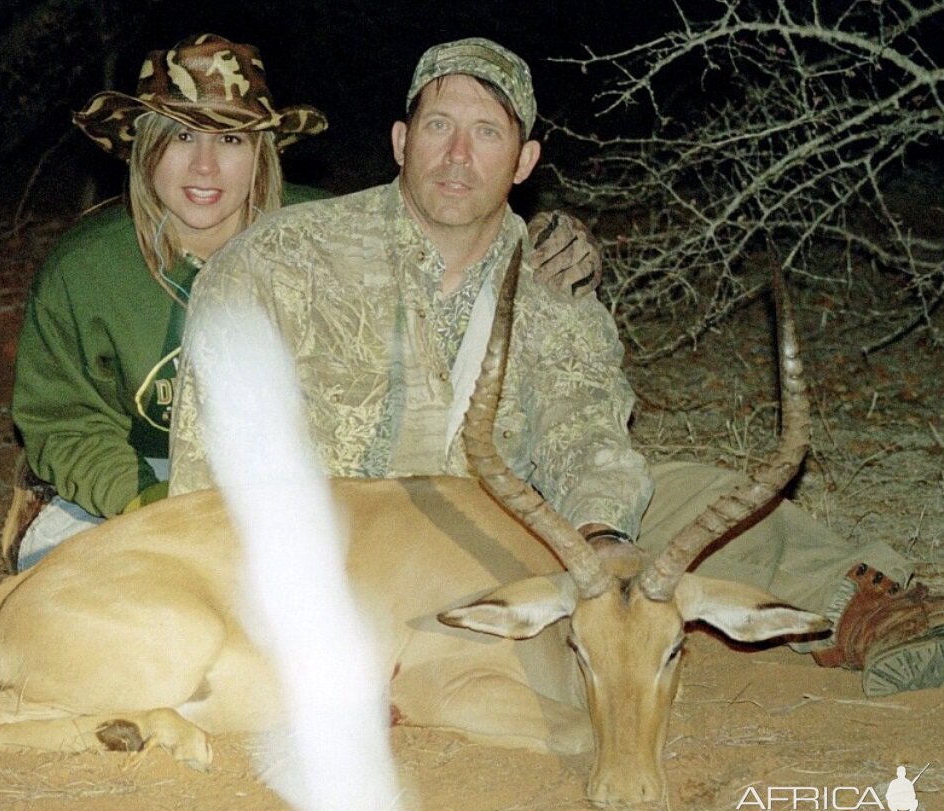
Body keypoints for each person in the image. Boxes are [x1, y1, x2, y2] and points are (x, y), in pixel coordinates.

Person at [169, 37, 943, 698]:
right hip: (345, 552)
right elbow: (211, 479)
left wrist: (598, 535)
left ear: (525, 159)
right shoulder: (274, 262)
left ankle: (868, 613)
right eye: (438, 125)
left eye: (486, 132)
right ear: (401, 141)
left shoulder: (548, 277)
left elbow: (586, 426)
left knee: (690, 494)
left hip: (508, 536)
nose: (458, 155)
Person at [3, 33, 330, 572]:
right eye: (181, 136)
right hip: (136, 478)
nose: (204, 166)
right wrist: (156, 505)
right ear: (143, 148)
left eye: (230, 140)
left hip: (298, 480)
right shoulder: (84, 269)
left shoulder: (326, 240)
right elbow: (64, 424)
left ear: (262, 153)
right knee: (94, 600)